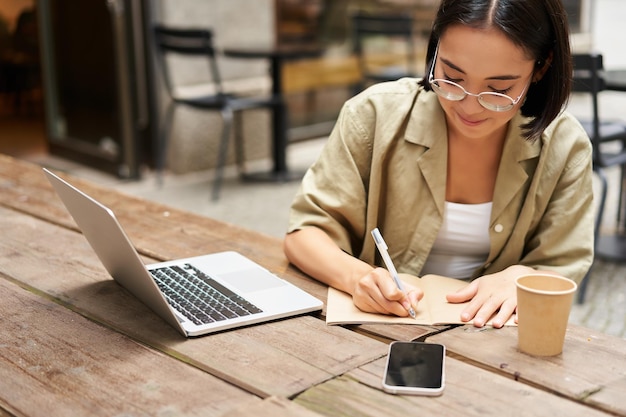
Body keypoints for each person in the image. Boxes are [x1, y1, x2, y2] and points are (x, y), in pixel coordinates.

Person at [283, 0, 595, 328]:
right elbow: (305, 232)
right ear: (435, 50)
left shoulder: (564, 148)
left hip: (491, 348)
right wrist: (357, 277)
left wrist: (523, 276)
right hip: (372, 332)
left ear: (542, 67)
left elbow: (562, 265)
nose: (469, 107)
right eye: (451, 77)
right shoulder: (373, 116)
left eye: (499, 90)